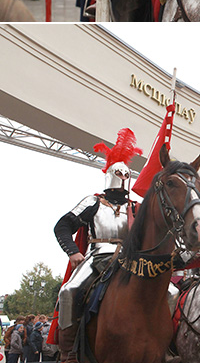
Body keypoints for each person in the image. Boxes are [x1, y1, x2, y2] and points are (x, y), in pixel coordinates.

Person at [54, 129, 141, 363]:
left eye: (126, 177)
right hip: (96, 256)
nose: (122, 181)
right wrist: (73, 252)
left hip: (129, 260)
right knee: (68, 291)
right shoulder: (93, 202)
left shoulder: (135, 208)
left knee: (169, 292)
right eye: (119, 176)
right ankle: (68, 353)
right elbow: (62, 226)